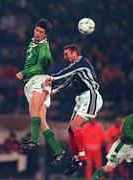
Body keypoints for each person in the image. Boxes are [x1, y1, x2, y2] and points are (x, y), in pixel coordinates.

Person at [45, 44, 103, 175]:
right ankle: (76, 159)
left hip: (91, 95)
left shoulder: (82, 62)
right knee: (71, 130)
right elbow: (67, 80)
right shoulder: (75, 69)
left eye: (67, 54)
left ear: (74, 53)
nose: (65, 57)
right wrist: (54, 90)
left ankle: (82, 158)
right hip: (81, 98)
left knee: (76, 126)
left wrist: (52, 77)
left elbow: (66, 72)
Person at [16, 18, 66, 165]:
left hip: (39, 80)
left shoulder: (44, 48)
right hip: (32, 83)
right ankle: (59, 151)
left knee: (33, 111)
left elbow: (44, 65)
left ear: (46, 35)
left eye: (41, 32)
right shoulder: (33, 42)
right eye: (36, 30)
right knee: (42, 121)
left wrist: (24, 73)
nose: (37, 33)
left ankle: (34, 142)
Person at [92, 99, 133, 180]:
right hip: (120, 148)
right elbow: (127, 132)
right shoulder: (130, 118)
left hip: (132, 148)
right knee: (109, 168)